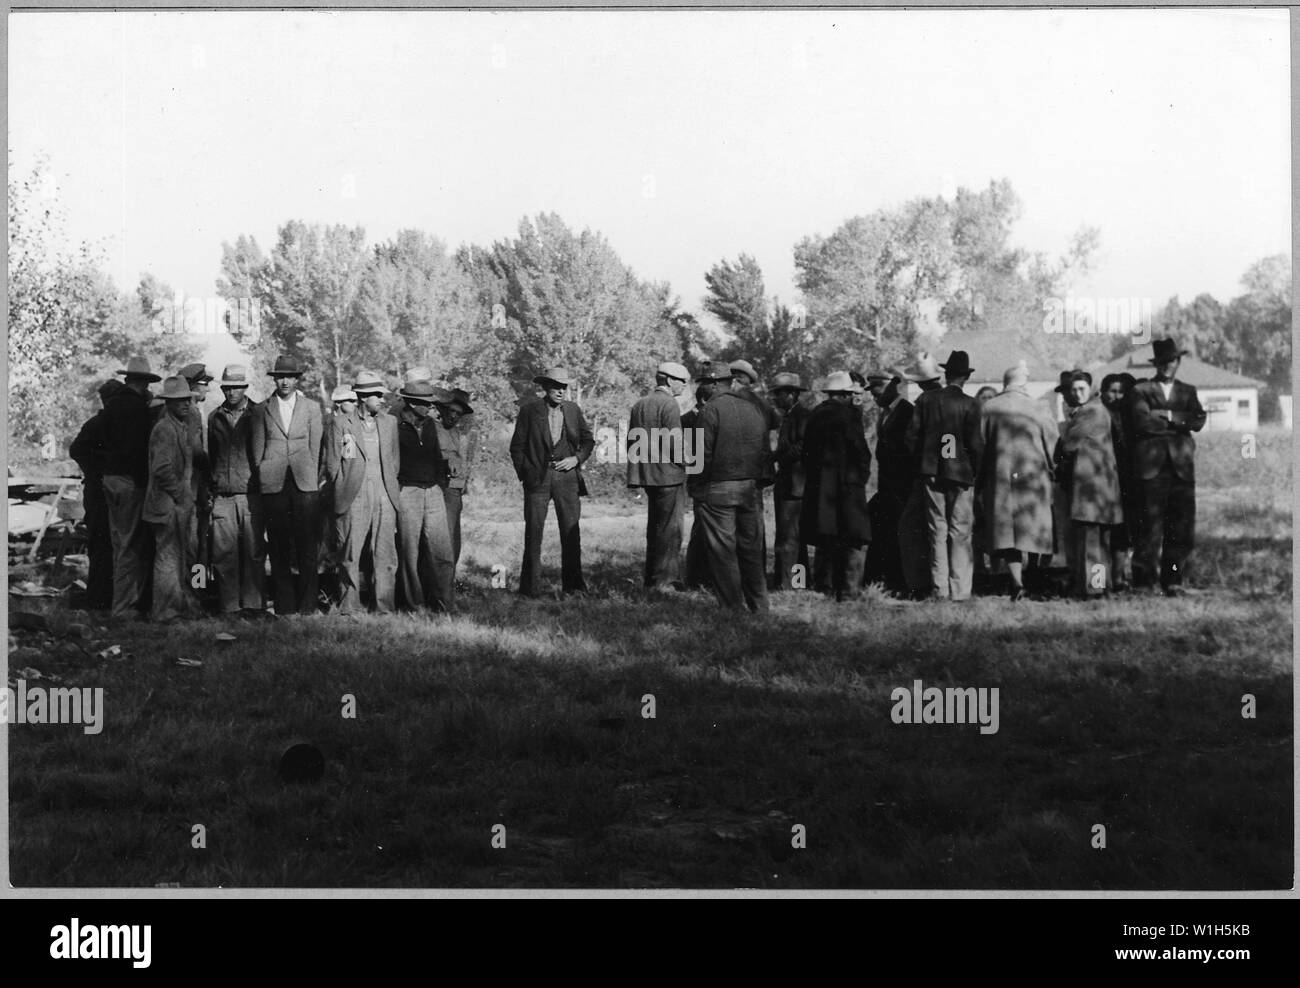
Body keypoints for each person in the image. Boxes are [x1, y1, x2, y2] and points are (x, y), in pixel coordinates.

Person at [688, 362, 770, 612]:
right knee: (751, 551)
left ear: (713, 384)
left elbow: (700, 456)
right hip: (750, 491)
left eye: (704, 382)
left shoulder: (709, 411)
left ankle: (732, 609)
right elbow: (765, 452)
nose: (701, 387)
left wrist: (695, 487)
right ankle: (760, 606)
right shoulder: (753, 409)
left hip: (718, 491)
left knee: (723, 552)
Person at [1129, 338, 1206, 595]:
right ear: (1156, 363)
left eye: (1171, 361)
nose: (1166, 366)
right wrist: (1177, 423)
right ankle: (1144, 583)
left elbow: (1198, 420)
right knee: (1148, 525)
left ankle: (1173, 581)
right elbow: (1141, 423)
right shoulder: (1141, 390)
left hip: (1182, 469)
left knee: (1180, 527)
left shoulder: (1188, 390)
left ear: (1178, 362)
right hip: (1151, 468)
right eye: (1162, 362)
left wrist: (1168, 416)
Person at [905, 350, 983, 602]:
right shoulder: (971, 404)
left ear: (946, 374)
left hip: (931, 473)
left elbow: (911, 439)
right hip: (961, 475)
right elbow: (976, 445)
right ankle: (960, 591)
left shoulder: (926, 401)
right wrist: (974, 470)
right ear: (965, 378)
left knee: (936, 530)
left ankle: (940, 588)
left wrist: (923, 464)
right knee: (960, 532)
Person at [976, 362, 1057, 599]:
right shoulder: (1039, 407)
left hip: (1000, 479)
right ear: (1024, 383)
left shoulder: (988, 408)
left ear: (1005, 382)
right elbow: (1052, 442)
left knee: (1008, 532)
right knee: (1033, 527)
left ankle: (1016, 582)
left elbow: (979, 447)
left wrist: (979, 480)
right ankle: (1034, 573)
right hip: (1034, 478)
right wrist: (1054, 468)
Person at [250, 354, 324, 615]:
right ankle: (284, 605)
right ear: (275, 379)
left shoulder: (312, 408)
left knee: (306, 546)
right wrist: (265, 472)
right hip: (273, 485)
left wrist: (310, 476)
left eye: (289, 377)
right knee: (278, 546)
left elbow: (317, 449)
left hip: (304, 484)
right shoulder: (261, 410)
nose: (284, 381)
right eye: (280, 376)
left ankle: (308, 605)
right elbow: (257, 450)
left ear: (296, 379)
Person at [325, 371, 401, 613]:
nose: (381, 399)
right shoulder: (341, 423)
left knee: (386, 554)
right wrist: (343, 491)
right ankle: (349, 606)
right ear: (363, 397)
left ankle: (384, 606)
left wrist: (387, 488)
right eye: (377, 395)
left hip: (384, 494)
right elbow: (332, 465)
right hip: (353, 495)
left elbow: (394, 461)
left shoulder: (389, 423)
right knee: (350, 552)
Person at [801, 372, 872, 601]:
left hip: (822, 488)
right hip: (848, 487)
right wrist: (861, 478)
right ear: (844, 394)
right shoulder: (850, 416)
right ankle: (850, 591)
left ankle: (825, 586)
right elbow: (861, 452)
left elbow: (807, 454)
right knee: (853, 539)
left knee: (827, 537)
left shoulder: (815, 415)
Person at [101, 356, 162, 619]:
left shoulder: (111, 406)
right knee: (129, 546)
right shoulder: (138, 409)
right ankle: (124, 607)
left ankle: (124, 602)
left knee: (119, 543)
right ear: (143, 383)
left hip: (109, 479)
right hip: (130, 482)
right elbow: (139, 451)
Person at [1056, 370, 1124, 598]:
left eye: (1081, 389)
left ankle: (1094, 589)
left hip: (1091, 489)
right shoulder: (1098, 409)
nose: (1077, 393)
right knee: (1099, 541)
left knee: (1091, 542)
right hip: (1101, 488)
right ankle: (1101, 586)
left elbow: (1068, 444)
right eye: (1073, 389)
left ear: (1090, 388)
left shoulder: (1090, 411)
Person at [142, 376, 204, 622]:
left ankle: (182, 607)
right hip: (166, 506)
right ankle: (165, 612)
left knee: (182, 557)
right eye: (179, 401)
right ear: (168, 403)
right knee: (167, 559)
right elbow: (162, 469)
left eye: (187, 400)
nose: (186, 404)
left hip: (179, 504)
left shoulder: (180, 426)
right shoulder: (165, 429)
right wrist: (181, 495)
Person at [626, 361, 690, 590]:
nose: (684, 386)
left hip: (648, 476)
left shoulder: (640, 404)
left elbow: (632, 443)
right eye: (682, 381)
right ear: (670, 380)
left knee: (655, 528)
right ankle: (665, 582)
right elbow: (675, 441)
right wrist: (689, 462)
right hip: (669, 477)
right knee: (671, 530)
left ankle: (652, 579)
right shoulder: (670, 404)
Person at [207, 365, 265, 616]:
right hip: (223, 494)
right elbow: (212, 454)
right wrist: (214, 484)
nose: (232, 392)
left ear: (245, 388)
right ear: (222, 389)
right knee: (223, 553)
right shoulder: (214, 417)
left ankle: (253, 605)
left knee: (254, 551)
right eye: (228, 387)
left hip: (251, 494)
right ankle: (229, 606)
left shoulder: (259, 414)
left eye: (237, 387)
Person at [394, 379, 457, 613]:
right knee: (409, 553)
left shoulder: (430, 424)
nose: (430, 408)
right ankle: (414, 605)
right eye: (425, 404)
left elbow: (436, 455)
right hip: (407, 492)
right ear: (410, 403)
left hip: (432, 492)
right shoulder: (395, 425)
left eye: (431, 404)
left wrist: (440, 482)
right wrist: (400, 489)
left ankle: (445, 605)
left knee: (442, 552)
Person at [69, 379, 126, 612]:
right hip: (97, 492)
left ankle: (107, 597)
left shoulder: (112, 424)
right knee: (101, 545)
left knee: (112, 546)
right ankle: (98, 599)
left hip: (105, 488)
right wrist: (97, 472)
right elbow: (76, 450)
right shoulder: (97, 424)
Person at [896, 354, 942, 599]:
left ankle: (919, 583)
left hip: (926, 473)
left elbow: (911, 438)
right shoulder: (952, 399)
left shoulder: (924, 402)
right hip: (954, 473)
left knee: (911, 527)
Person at [864, 368, 914, 595]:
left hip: (901, 486)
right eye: (872, 390)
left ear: (894, 385)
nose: (874, 394)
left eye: (878, 388)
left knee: (898, 534)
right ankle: (882, 579)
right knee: (882, 531)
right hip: (886, 486)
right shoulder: (884, 413)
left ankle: (899, 582)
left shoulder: (906, 411)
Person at [770, 372, 811, 590]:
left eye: (779, 394)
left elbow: (803, 446)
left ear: (792, 394)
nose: (775, 398)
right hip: (788, 483)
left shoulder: (802, 416)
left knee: (790, 538)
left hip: (795, 486)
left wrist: (781, 459)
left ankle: (790, 584)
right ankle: (798, 581)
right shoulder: (789, 416)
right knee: (792, 537)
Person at [1100, 372, 1139, 590]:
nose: (1117, 396)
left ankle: (1119, 577)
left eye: (1121, 392)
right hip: (1104, 478)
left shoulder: (1129, 416)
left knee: (1123, 530)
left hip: (1126, 479)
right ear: (1104, 392)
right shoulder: (1099, 414)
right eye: (1113, 391)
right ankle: (1103, 578)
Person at [433, 388, 477, 572]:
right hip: (437, 487)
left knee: (453, 537)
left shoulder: (461, 434)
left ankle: (447, 581)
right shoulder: (433, 428)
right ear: (442, 410)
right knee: (439, 538)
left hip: (455, 489)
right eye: (451, 411)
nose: (454, 416)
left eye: (458, 413)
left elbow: (466, 460)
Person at [681, 369, 717, 592]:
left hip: (700, 480)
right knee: (705, 532)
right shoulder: (694, 418)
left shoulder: (689, 418)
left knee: (702, 530)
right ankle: (698, 579)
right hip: (706, 480)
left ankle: (697, 579)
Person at [179, 362, 214, 573]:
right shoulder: (191, 412)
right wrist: (210, 476)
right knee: (194, 541)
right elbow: (197, 452)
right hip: (193, 488)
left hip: (192, 488)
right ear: (192, 386)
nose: (207, 389)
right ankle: (194, 591)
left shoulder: (185, 410)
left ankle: (194, 589)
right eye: (204, 384)